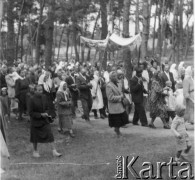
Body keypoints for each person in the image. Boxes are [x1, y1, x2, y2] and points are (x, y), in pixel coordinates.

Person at [29, 84, 62, 158]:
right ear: (35, 91)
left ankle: (54, 151)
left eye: (41, 90)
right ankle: (35, 151)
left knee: (50, 135)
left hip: (44, 120)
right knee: (35, 137)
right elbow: (30, 112)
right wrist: (40, 114)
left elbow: (47, 107)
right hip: (35, 122)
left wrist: (46, 113)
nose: (41, 92)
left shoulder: (44, 97)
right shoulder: (31, 99)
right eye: (39, 90)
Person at [106, 71, 129, 137]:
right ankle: (117, 131)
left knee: (122, 119)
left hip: (120, 105)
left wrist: (123, 96)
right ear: (110, 77)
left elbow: (121, 91)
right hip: (114, 106)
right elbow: (110, 98)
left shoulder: (119, 83)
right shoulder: (109, 86)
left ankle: (117, 130)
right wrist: (120, 97)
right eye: (113, 76)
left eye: (116, 76)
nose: (115, 77)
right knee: (116, 120)